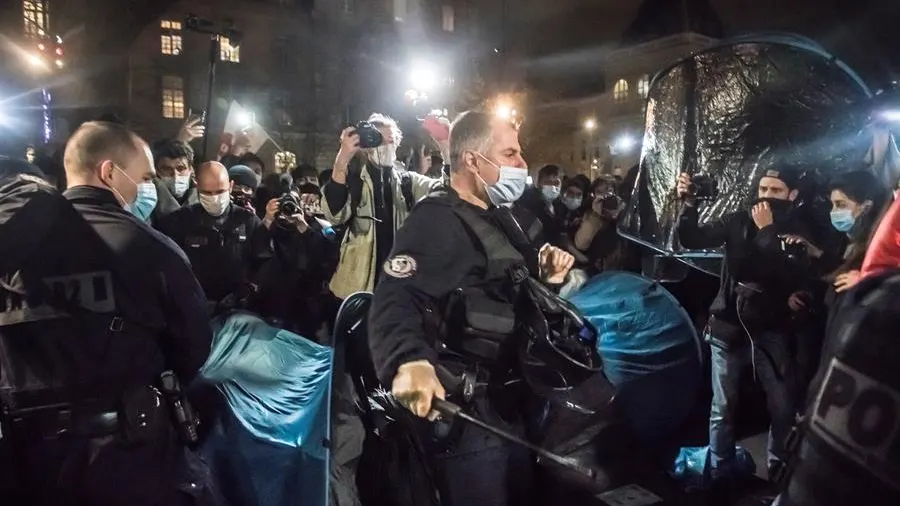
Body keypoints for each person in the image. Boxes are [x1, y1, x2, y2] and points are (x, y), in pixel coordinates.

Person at [0, 121, 216, 505]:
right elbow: (193, 344)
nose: (150, 187)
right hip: (127, 455)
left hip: (26, 459)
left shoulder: (13, 243)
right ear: (109, 172)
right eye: (146, 177)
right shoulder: (149, 247)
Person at [369, 111, 575, 506]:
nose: (522, 164)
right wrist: (408, 360)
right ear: (472, 160)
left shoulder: (502, 219)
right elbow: (394, 296)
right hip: (469, 414)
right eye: (510, 153)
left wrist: (546, 278)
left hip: (511, 401)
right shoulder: (436, 221)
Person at [677, 167, 815, 484]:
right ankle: (719, 472)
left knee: (781, 407)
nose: (765, 197)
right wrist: (689, 206)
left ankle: (778, 472)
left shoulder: (798, 229)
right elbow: (692, 237)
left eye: (775, 191)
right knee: (722, 407)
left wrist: (767, 232)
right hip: (728, 326)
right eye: (762, 189)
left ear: (792, 196)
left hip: (773, 330)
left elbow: (792, 271)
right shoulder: (738, 219)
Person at [321, 113, 439, 299]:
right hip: (357, 289)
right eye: (378, 140)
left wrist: (447, 146)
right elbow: (334, 215)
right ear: (366, 145)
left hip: (399, 289)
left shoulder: (408, 183)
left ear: (397, 143)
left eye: (390, 141)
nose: (384, 146)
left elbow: (447, 190)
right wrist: (343, 157)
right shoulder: (353, 181)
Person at [157, 161, 273, 306]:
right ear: (197, 186)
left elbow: (263, 263)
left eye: (220, 191)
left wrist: (247, 291)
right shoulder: (177, 222)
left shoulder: (248, 221)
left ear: (230, 186)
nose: (215, 198)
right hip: (191, 306)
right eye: (207, 192)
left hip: (237, 307)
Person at [514, 164, 567, 247]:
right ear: (539, 184)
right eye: (547, 182)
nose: (552, 187)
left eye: (556, 183)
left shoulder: (560, 206)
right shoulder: (528, 204)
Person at [149, 139, 197, 223]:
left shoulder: (205, 196)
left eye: (181, 168)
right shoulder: (148, 200)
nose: (175, 175)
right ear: (157, 170)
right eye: (167, 169)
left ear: (190, 169)